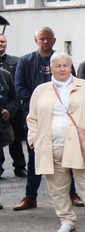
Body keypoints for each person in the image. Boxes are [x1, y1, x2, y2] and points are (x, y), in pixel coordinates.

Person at [26, 52, 85, 232]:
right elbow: (32, 118)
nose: (62, 69)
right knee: (57, 187)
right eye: (58, 65)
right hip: (50, 145)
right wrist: (33, 139)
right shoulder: (41, 90)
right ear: (51, 68)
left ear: (71, 67)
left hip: (80, 145)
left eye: (66, 65)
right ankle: (66, 220)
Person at [13, 27, 63, 210]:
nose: (45, 42)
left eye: (48, 39)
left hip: (60, 115)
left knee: (66, 154)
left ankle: (72, 194)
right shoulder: (26, 61)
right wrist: (40, 106)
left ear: (54, 40)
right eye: (42, 38)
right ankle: (30, 196)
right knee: (35, 156)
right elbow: (20, 89)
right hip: (35, 117)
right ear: (36, 40)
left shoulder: (61, 59)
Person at [0, 33, 27, 178]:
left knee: (16, 139)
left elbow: (17, 89)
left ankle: (20, 166)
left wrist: (10, 110)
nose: (1, 44)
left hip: (13, 110)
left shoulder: (16, 62)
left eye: (3, 41)